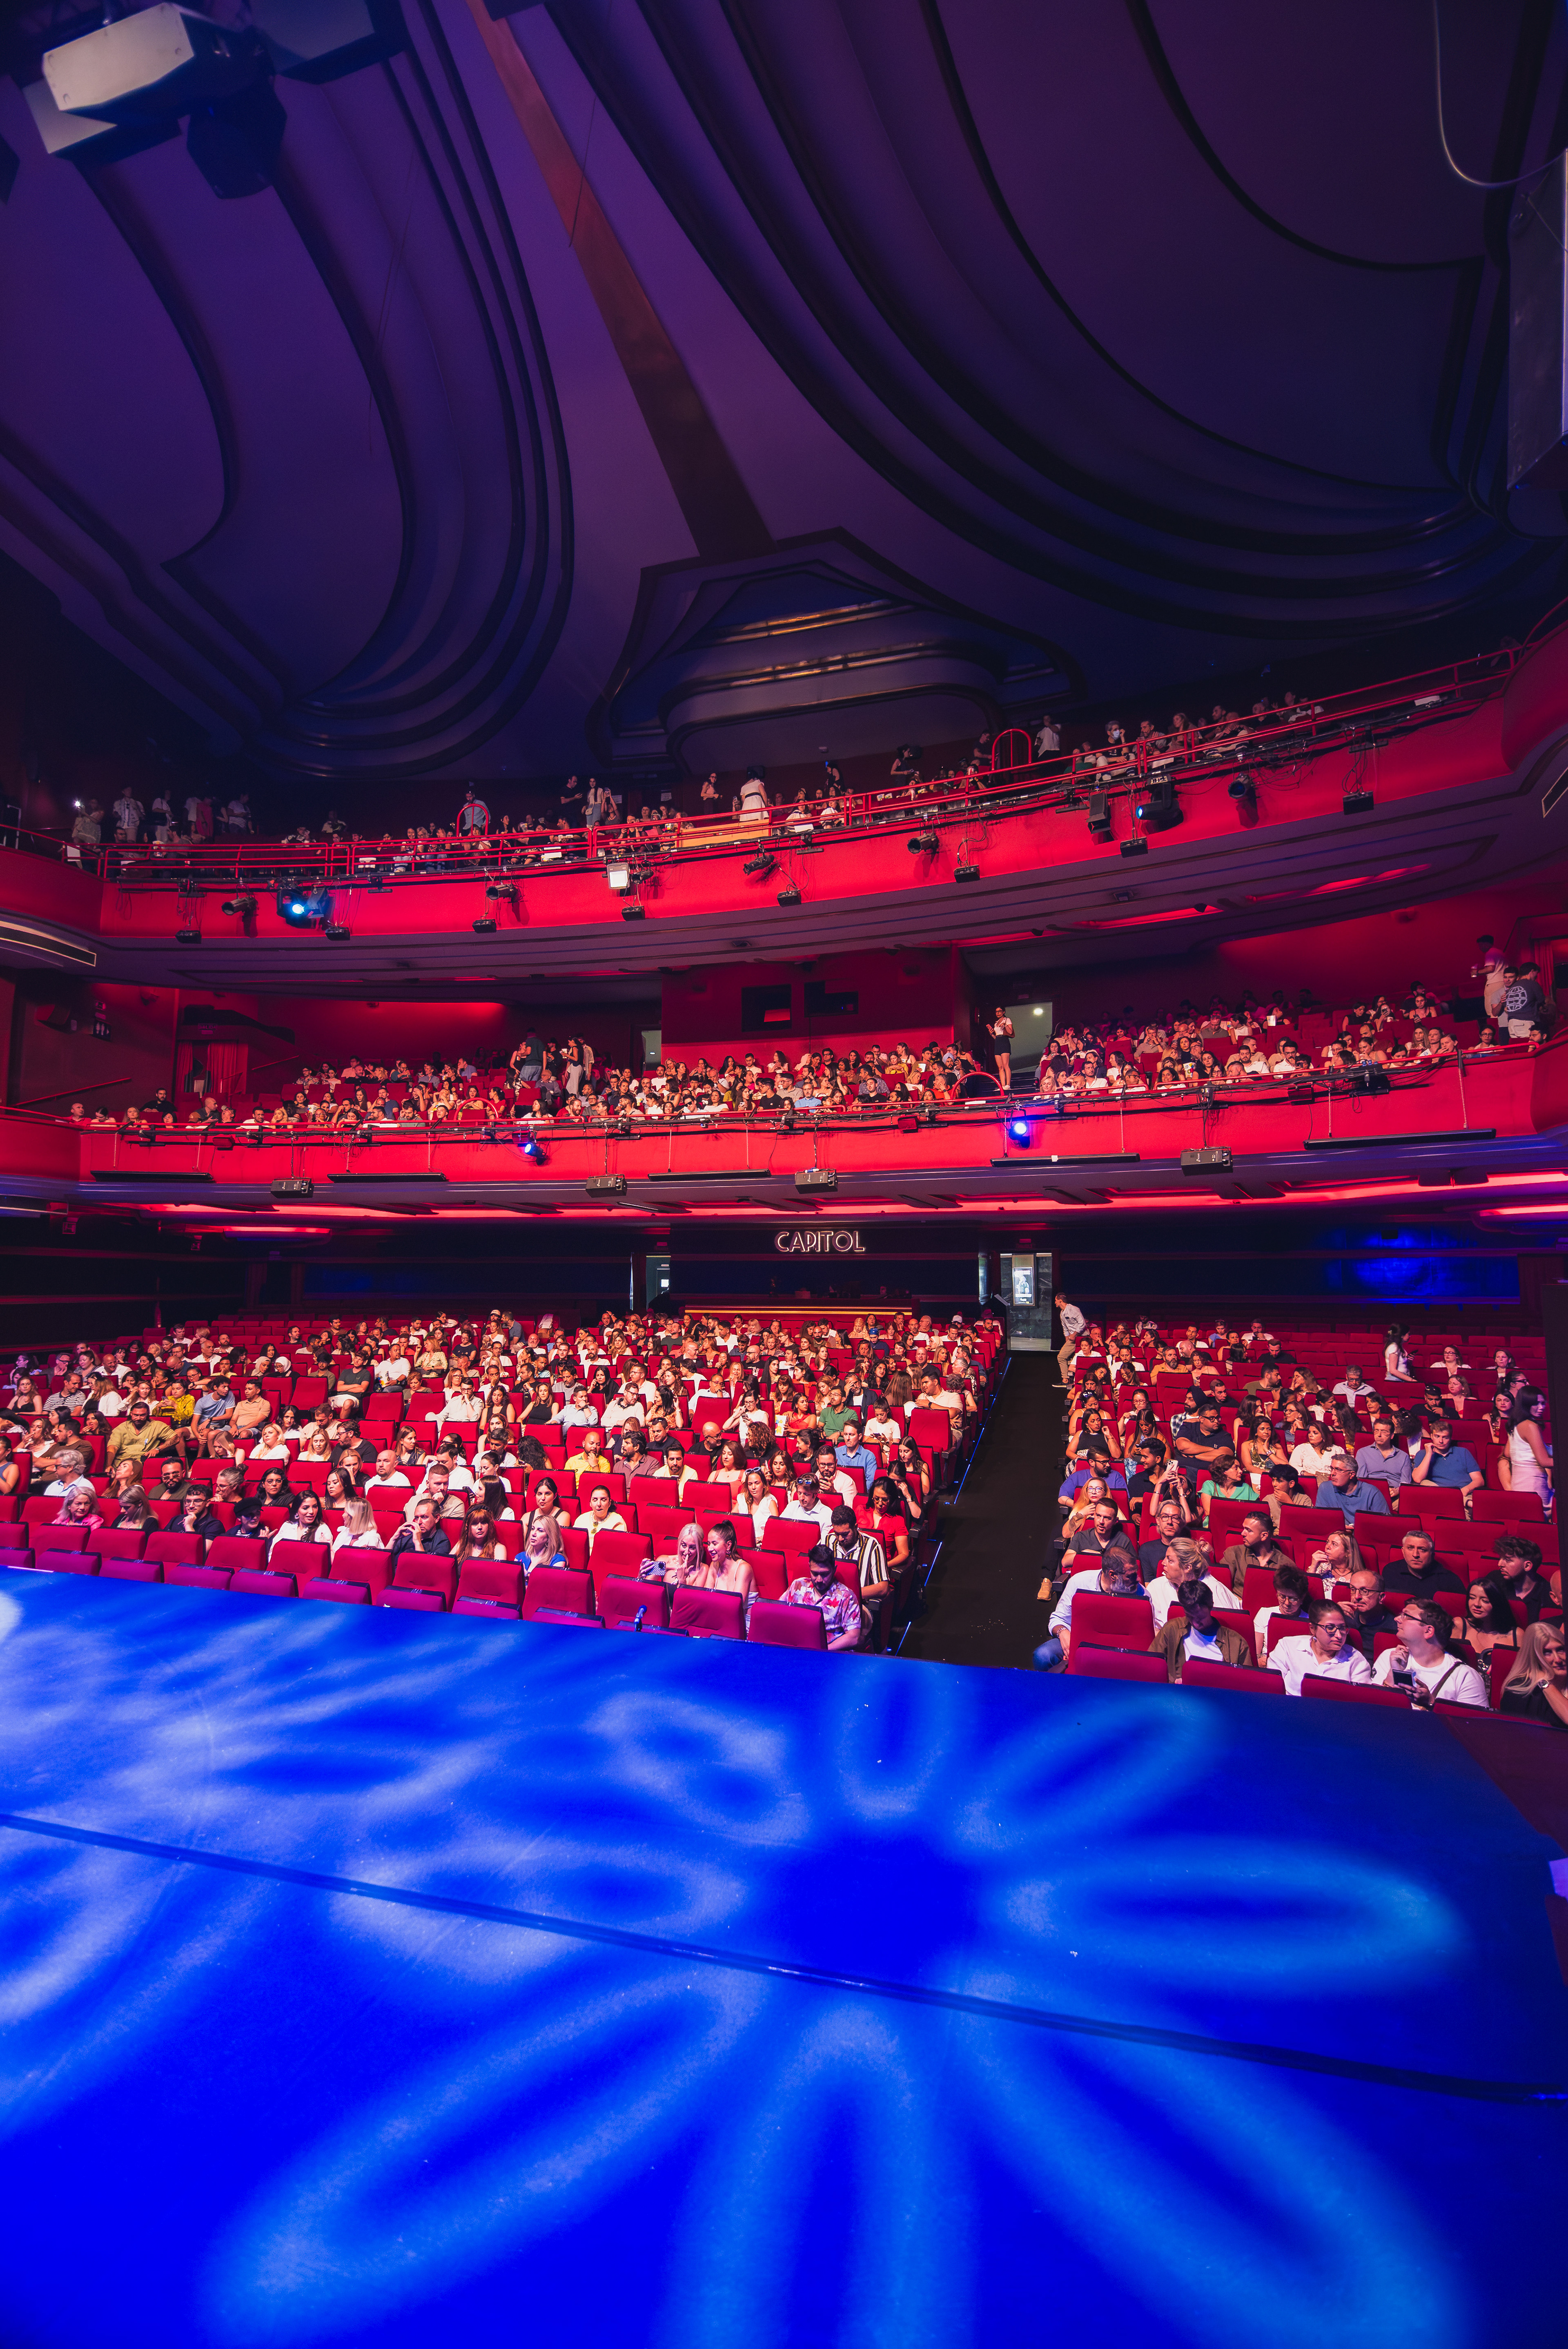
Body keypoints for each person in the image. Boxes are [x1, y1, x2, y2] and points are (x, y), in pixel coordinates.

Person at [1034, 1541, 1143, 1670]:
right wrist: (1063, 1634)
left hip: (1119, 1648)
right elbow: (1058, 1618)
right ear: (1112, 1575)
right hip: (1081, 1642)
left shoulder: (1142, 1594)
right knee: (1042, 1656)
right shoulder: (1080, 1582)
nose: (1138, 1580)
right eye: (1131, 1576)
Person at [1373, 1600, 1488, 1709]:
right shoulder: (1390, 1657)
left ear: (1428, 1631)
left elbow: (1474, 1725)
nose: (1397, 1619)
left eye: (1406, 1616)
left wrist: (1431, 1704)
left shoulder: (1465, 1676)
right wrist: (1393, 1674)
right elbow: (1372, 1707)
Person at [1149, 1576, 1252, 1681]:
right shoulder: (1172, 1629)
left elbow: (1247, 1683)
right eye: (1190, 1616)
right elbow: (1151, 1666)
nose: (1195, 1623)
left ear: (1211, 1606)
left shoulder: (1236, 1643)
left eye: (1201, 1618)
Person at [1270, 1600, 1374, 1697]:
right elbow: (1272, 1689)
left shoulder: (1356, 1661)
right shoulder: (1288, 1646)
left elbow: (1361, 1701)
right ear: (1313, 1629)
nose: (1339, 1635)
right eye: (1330, 1628)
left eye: (1342, 1628)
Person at [1144, 1535, 1241, 1631]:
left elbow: (1230, 1631)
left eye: (1170, 1560)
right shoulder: (1156, 1586)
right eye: (1165, 1558)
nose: (1163, 1563)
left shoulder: (1214, 1589)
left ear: (1188, 1568)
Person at [782, 1542, 862, 1649]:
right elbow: (779, 1612)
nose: (819, 1580)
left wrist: (823, 1650)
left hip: (829, 1653)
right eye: (815, 1574)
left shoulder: (847, 1596)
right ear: (809, 1567)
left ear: (834, 1570)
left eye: (825, 1574)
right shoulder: (798, 1585)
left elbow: (854, 1637)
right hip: (795, 1647)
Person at [1498, 1622, 1568, 1728]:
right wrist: (1544, 1683)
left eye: (1560, 1650)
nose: (1558, 1659)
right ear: (1534, 1657)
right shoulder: (1519, 1692)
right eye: (1547, 1653)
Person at [1498, 1389, 1552, 1504]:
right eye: (1536, 1403)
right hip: (1534, 1484)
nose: (1541, 1407)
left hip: (1519, 1483)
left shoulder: (1516, 1424)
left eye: (1543, 1403)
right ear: (1526, 1404)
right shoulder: (1531, 1426)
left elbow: (1508, 1454)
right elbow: (1544, 1462)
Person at [1217, 1507, 1288, 1594]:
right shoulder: (1234, 1553)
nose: (1243, 1533)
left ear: (1264, 1536)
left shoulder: (1286, 1565)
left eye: (1249, 1530)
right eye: (1244, 1529)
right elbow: (1219, 1586)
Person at [1410, 1421, 1483, 1504]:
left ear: (1451, 1438)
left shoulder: (1463, 1452)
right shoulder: (1423, 1454)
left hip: (1463, 1495)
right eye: (1437, 1437)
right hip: (1436, 1497)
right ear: (1431, 1436)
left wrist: (1464, 1491)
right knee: (1425, 1483)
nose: (1441, 1441)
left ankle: (1463, 1501)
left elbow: (1479, 1480)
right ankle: (1463, 1502)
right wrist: (1429, 1454)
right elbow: (1418, 1479)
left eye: (1445, 1438)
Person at [1254, 1563, 1312, 1663]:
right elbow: (1256, 1653)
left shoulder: (1310, 1621)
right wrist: (1259, 1660)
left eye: (1293, 1599)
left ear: (1302, 1598)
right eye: (1282, 1597)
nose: (1287, 1603)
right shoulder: (1264, 1614)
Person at [1389, 1527, 1464, 1605]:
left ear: (1432, 1554)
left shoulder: (1450, 1580)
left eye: (1423, 1550)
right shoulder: (1391, 1571)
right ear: (1403, 1551)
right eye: (1410, 1548)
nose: (1415, 1555)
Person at [1455, 1573, 1519, 1665]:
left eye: (1485, 1601)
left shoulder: (1516, 1635)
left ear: (1497, 1603)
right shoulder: (1459, 1625)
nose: (1477, 1604)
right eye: (1472, 1598)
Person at [1494, 1532, 1554, 1623]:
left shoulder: (1548, 1596)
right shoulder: (1495, 1581)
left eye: (1508, 1560)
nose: (1500, 1564)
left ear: (1527, 1566)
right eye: (1501, 1558)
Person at [1314, 1451, 1390, 1521]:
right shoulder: (1325, 1488)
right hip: (1335, 1533)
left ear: (1352, 1474)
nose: (1333, 1474)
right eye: (1332, 1469)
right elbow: (1321, 1519)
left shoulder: (1372, 1493)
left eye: (1338, 1470)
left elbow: (1384, 1523)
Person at [268, 1491, 332, 1566]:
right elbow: (272, 1554)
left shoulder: (322, 1530)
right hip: (283, 1569)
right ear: (297, 1510)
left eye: (315, 1507)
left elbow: (323, 1563)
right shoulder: (287, 1526)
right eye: (306, 1508)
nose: (312, 1512)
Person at [387, 1496, 452, 1567]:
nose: (418, 1522)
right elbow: (384, 1563)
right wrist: (394, 1539)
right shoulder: (406, 1537)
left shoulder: (442, 1542)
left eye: (424, 1517)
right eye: (416, 1518)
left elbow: (426, 1571)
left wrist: (418, 1542)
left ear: (436, 1518)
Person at [639, 1521, 706, 1585]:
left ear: (699, 1548)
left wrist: (682, 1581)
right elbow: (645, 1588)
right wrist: (640, 1579)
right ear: (679, 1542)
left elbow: (692, 1597)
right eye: (684, 1545)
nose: (687, 1552)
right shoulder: (665, 1561)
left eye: (692, 1548)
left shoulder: (703, 1570)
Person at [1054, 1293, 1085, 1388]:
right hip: (1073, 1340)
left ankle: (1068, 1379)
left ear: (1060, 1301)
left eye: (1056, 1300)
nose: (1055, 1302)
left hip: (1082, 1338)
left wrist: (1075, 1334)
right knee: (1064, 1356)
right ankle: (1067, 1379)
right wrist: (1067, 1339)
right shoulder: (1062, 1313)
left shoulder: (1074, 1309)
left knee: (1064, 1357)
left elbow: (1083, 1324)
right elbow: (1066, 1328)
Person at [988, 1009, 1014, 1092]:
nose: (998, 1013)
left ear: (1004, 1012)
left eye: (1000, 1011)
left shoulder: (1007, 1020)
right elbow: (997, 1037)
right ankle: (1002, 1086)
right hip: (998, 1043)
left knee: (1006, 1065)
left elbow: (1011, 1032)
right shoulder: (996, 1023)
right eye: (997, 1012)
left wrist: (1005, 1025)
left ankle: (1008, 1085)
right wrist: (991, 1034)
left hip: (1005, 1042)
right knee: (1000, 1067)